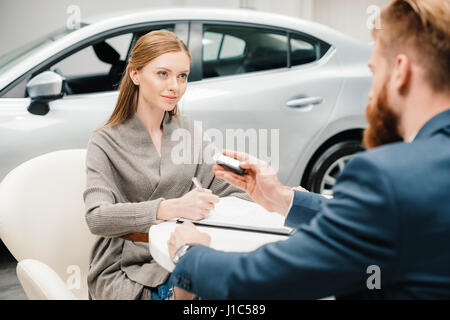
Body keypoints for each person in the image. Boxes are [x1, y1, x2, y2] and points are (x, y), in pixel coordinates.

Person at [167, 0, 450, 299]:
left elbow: (262, 280)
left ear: (399, 71)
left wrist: (189, 254)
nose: (369, 92)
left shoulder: (387, 178)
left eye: (374, 71)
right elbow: (384, 220)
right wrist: (284, 199)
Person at [83, 30, 250, 300]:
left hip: (183, 252)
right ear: (136, 75)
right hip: (126, 269)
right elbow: (96, 217)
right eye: (163, 74)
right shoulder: (104, 141)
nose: (175, 86)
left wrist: (277, 197)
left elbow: (227, 189)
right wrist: (169, 207)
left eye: (182, 76)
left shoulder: (188, 130)